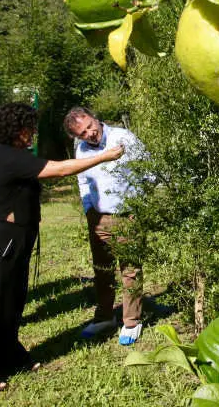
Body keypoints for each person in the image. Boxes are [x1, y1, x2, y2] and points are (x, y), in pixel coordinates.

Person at [0, 102, 123, 391]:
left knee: (12, 302)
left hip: (15, 239)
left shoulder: (12, 155)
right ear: (16, 129)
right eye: (29, 128)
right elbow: (60, 170)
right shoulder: (6, 157)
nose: (32, 134)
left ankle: (12, 356)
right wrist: (105, 156)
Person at [63, 106, 147, 344]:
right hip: (99, 217)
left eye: (90, 126)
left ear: (96, 119)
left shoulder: (123, 138)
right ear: (77, 137)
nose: (90, 133)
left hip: (128, 215)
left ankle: (131, 322)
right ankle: (104, 317)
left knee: (130, 269)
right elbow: (83, 181)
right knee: (102, 270)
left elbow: (147, 169)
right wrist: (89, 208)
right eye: (82, 133)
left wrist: (141, 206)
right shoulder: (80, 149)